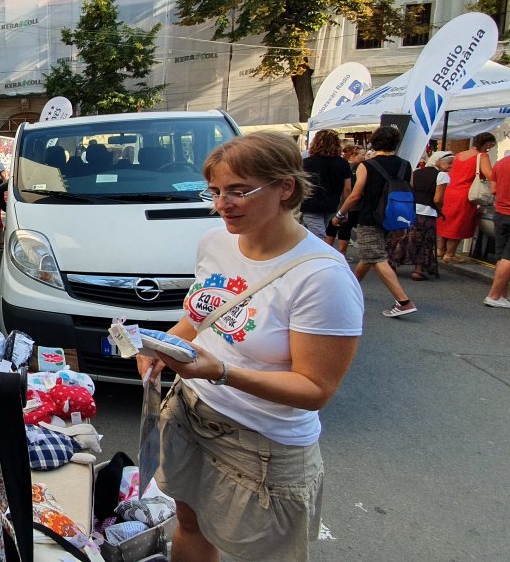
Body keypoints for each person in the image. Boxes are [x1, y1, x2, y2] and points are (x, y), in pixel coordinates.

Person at [141, 131, 362, 562]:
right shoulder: (214, 241)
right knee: (190, 524)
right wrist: (163, 345)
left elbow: (316, 389)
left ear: (286, 188)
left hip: (263, 444)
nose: (222, 204)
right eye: (216, 191)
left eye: (239, 191)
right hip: (191, 411)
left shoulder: (323, 277)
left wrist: (221, 372)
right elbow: (204, 313)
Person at [333, 126, 417, 317]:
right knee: (369, 254)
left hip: (370, 215)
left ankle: (403, 301)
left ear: (374, 142)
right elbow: (410, 190)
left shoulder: (367, 165)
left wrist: (341, 213)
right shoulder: (406, 165)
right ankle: (349, 289)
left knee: (376, 256)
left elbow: (356, 194)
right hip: (393, 216)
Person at [388, 150, 453, 281]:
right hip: (427, 212)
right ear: (438, 161)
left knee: (402, 238)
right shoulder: (442, 176)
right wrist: (439, 210)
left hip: (409, 209)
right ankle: (418, 270)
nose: (451, 166)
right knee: (424, 241)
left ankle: (392, 265)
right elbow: (438, 199)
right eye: (449, 163)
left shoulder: (416, 172)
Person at [437, 132, 497, 262]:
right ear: (487, 144)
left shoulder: (459, 155)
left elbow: (447, 168)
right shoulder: (482, 156)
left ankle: (441, 250)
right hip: (466, 193)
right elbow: (490, 174)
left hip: (451, 190)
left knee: (447, 220)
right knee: (459, 222)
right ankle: (450, 254)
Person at [485, 150, 510, 308]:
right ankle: (494, 295)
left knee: (502, 254)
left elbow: (493, 190)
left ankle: (502, 294)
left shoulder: (502, 162)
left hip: (500, 212)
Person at [301, 130, 351, 239]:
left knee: (318, 237)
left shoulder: (307, 163)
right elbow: (347, 188)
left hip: (311, 204)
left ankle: (319, 254)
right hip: (331, 203)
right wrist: (345, 210)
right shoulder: (343, 163)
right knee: (317, 233)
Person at [323, 144, 365, 254]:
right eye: (362, 154)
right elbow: (348, 188)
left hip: (334, 201)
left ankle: (327, 254)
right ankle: (342, 255)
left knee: (331, 228)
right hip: (348, 203)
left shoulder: (336, 165)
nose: (364, 156)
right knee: (345, 228)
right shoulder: (356, 168)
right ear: (353, 155)